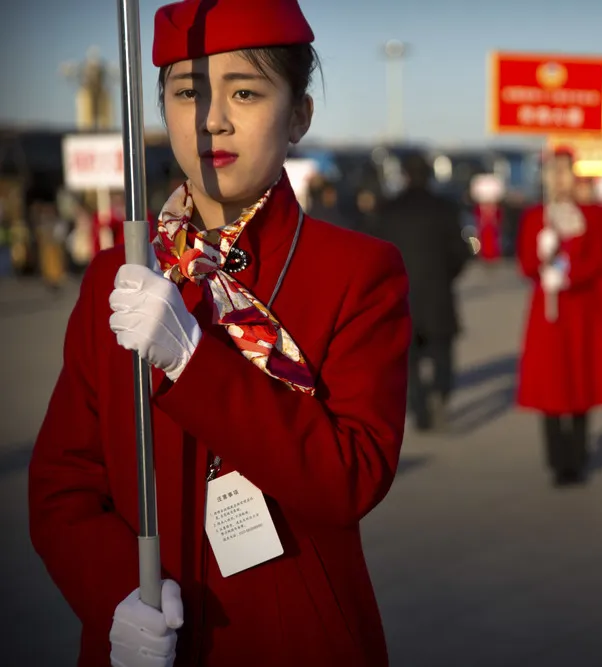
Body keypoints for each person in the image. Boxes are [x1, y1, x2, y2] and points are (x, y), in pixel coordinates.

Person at [28, 2, 411, 666]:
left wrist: (195, 362)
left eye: (245, 92)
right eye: (187, 92)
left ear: (299, 115)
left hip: (294, 636)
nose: (211, 119)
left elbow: (351, 478)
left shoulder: (358, 272)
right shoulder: (118, 278)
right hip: (150, 643)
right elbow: (63, 485)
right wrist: (114, 597)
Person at [516, 149, 602, 487]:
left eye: (564, 172)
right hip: (547, 312)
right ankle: (557, 460)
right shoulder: (535, 216)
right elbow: (526, 264)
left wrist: (571, 274)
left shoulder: (589, 215)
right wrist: (540, 260)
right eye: (553, 172)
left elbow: (599, 257)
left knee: (580, 379)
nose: (559, 179)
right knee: (551, 383)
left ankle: (578, 455)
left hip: (580, 309)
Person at [372, 153, 470, 432]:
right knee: (442, 353)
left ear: (404, 176)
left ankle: (419, 409)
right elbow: (460, 253)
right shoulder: (446, 209)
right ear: (430, 176)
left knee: (408, 359)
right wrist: (446, 277)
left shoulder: (388, 210)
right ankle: (441, 391)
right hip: (438, 295)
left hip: (401, 296)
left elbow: (375, 254)